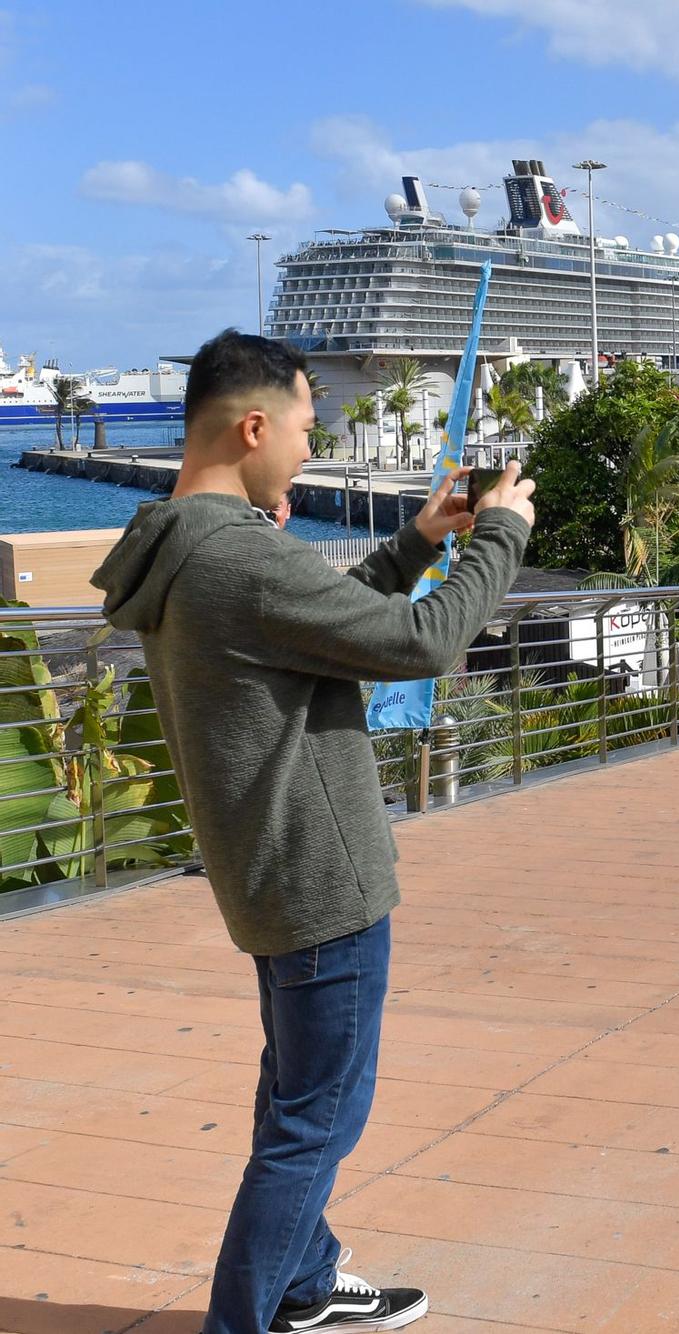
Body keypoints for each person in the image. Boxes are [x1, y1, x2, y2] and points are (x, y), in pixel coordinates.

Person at [89, 330, 537, 1333]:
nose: (304, 447)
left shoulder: (184, 543)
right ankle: (243, 1317)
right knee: (315, 1118)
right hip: (319, 875)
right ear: (252, 426)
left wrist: (419, 540)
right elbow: (422, 641)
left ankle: (305, 1280)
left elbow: (325, 625)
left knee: (295, 1093)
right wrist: (501, 532)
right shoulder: (239, 554)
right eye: (301, 425)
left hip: (271, 871)